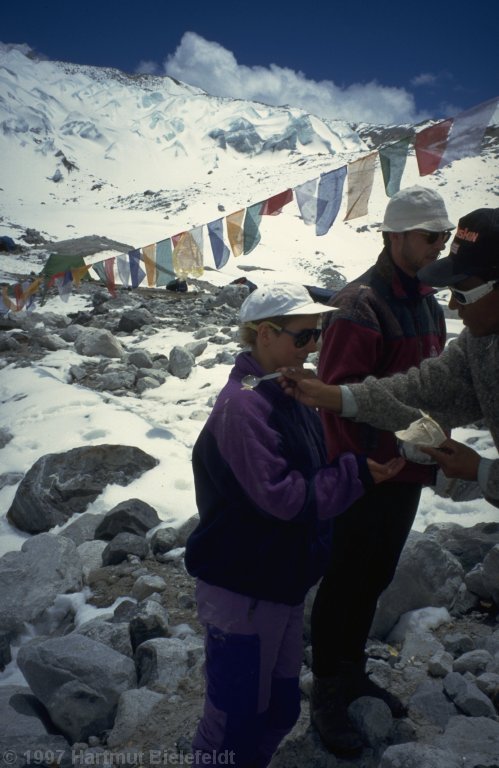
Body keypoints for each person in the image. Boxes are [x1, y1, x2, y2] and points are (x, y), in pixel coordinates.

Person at [184, 282, 405, 768]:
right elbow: (282, 497)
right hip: (242, 586)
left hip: (280, 581)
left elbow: (315, 462)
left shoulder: (283, 390)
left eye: (319, 335)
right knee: (234, 718)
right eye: (303, 337)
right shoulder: (243, 406)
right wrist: (356, 476)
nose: (315, 348)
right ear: (264, 334)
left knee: (280, 708)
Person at [305, 185, 456, 755]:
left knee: (375, 576)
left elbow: (437, 384)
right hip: (364, 472)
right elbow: (336, 396)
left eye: (442, 237)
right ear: (395, 238)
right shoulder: (360, 306)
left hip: (407, 470)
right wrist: (370, 465)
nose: (438, 246)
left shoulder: (429, 302)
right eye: (429, 237)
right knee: (346, 576)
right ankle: (327, 687)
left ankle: (351, 670)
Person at [280, 207, 499, 505]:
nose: (453, 306)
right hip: (373, 475)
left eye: (461, 294)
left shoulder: (430, 307)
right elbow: (422, 388)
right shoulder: (477, 341)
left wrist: (483, 472)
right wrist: (332, 396)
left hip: (401, 472)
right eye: (431, 236)